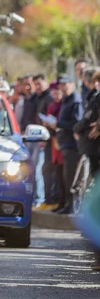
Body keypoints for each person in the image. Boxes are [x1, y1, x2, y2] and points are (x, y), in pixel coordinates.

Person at [55, 74, 84, 214]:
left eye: (66, 84)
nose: (63, 87)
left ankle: (72, 206)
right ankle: (66, 204)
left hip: (72, 146)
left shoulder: (75, 101)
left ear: (72, 84)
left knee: (71, 177)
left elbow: (76, 124)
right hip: (65, 144)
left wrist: (58, 124)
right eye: (61, 85)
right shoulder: (66, 100)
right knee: (65, 177)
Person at [43, 82, 65, 212]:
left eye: (57, 92)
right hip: (54, 144)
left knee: (64, 174)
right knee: (56, 172)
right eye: (53, 93)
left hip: (64, 143)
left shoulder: (65, 105)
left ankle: (62, 201)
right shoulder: (52, 106)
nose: (55, 95)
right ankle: (59, 202)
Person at [32, 74, 52, 209]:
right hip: (38, 138)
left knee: (39, 169)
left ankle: (40, 199)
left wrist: (45, 137)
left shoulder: (49, 98)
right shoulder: (39, 98)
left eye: (39, 84)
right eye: (35, 84)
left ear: (46, 82)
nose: (37, 87)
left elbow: (49, 118)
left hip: (44, 140)